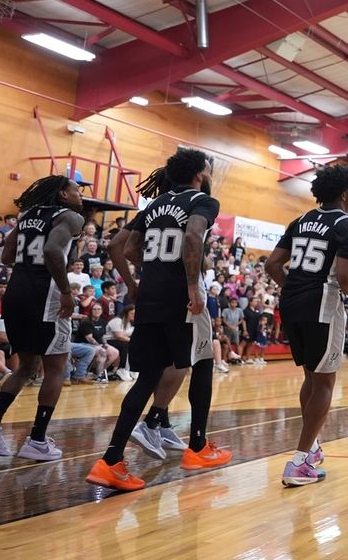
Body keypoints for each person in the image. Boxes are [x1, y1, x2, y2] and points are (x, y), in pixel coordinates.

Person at [86, 149, 232, 492]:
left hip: (150, 297)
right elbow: (194, 235)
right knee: (205, 360)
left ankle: (110, 460)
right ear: (200, 173)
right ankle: (197, 447)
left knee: (147, 377)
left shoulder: (154, 205)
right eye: (208, 169)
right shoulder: (202, 201)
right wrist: (193, 284)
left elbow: (126, 247)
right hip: (180, 298)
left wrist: (135, 283)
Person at [266, 164, 348, 487]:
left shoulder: (299, 221)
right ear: (344, 194)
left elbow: (272, 264)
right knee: (325, 384)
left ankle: (311, 447)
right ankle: (299, 461)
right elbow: (345, 278)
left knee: (311, 379)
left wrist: (293, 289)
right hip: (322, 307)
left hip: (291, 304)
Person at [0, 175, 84, 462]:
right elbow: (50, 251)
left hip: (17, 293)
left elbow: (7, 255)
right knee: (56, 366)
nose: (80, 196)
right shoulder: (71, 217)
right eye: (76, 191)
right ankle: (36, 440)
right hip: (45, 298)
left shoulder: (28, 215)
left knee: (25, 367)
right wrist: (65, 291)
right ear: (62, 195)